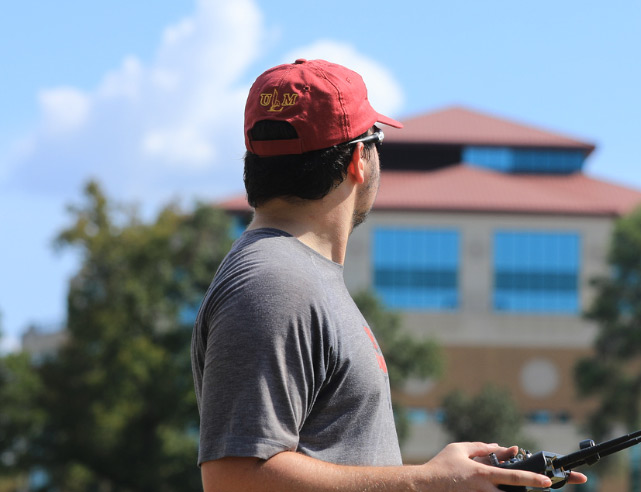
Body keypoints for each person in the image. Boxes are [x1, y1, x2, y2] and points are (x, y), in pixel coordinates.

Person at [190, 58, 587, 491]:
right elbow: (235, 478)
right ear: (359, 159)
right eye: (378, 140)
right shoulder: (275, 283)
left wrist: (447, 482)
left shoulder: (290, 276)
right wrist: (424, 482)